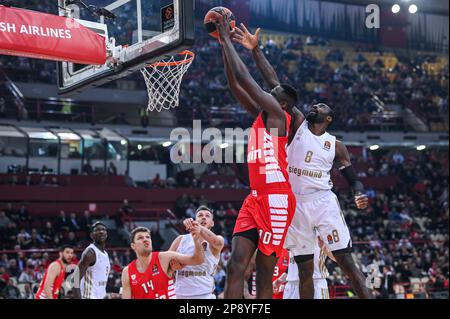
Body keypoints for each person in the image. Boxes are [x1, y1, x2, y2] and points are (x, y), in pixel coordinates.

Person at [233, 24, 372, 299]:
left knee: (348, 264)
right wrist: (256, 50)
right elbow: (275, 84)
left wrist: (358, 192)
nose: (315, 106)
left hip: (322, 201)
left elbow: (352, 177)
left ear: (329, 118)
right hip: (293, 202)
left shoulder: (336, 145)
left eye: (321, 107)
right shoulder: (296, 124)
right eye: (315, 104)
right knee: (304, 270)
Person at [213, 11, 297, 299]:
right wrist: (224, 45)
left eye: (272, 91)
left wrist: (225, 36)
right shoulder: (263, 116)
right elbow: (235, 85)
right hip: (255, 197)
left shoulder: (277, 116)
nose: (267, 91)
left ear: (282, 103)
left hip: (277, 197)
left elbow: (246, 79)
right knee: (236, 266)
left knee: (263, 271)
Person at [121, 226, 205, 299]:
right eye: (140, 238)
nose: (145, 239)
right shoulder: (127, 272)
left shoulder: (164, 257)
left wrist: (196, 240)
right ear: (133, 246)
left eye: (148, 237)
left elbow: (198, 260)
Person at [169, 206, 224, 299]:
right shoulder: (180, 239)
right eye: (200, 215)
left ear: (212, 223)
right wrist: (172, 266)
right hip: (179, 294)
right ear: (195, 220)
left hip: (204, 295)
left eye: (207, 216)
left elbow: (216, 242)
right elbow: (166, 262)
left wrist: (199, 229)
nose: (203, 217)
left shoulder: (217, 239)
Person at [73, 222, 111, 299]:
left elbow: (101, 283)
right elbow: (75, 279)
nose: (101, 231)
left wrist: (121, 290)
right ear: (91, 235)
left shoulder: (105, 254)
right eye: (97, 230)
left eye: (103, 229)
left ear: (106, 234)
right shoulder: (90, 253)